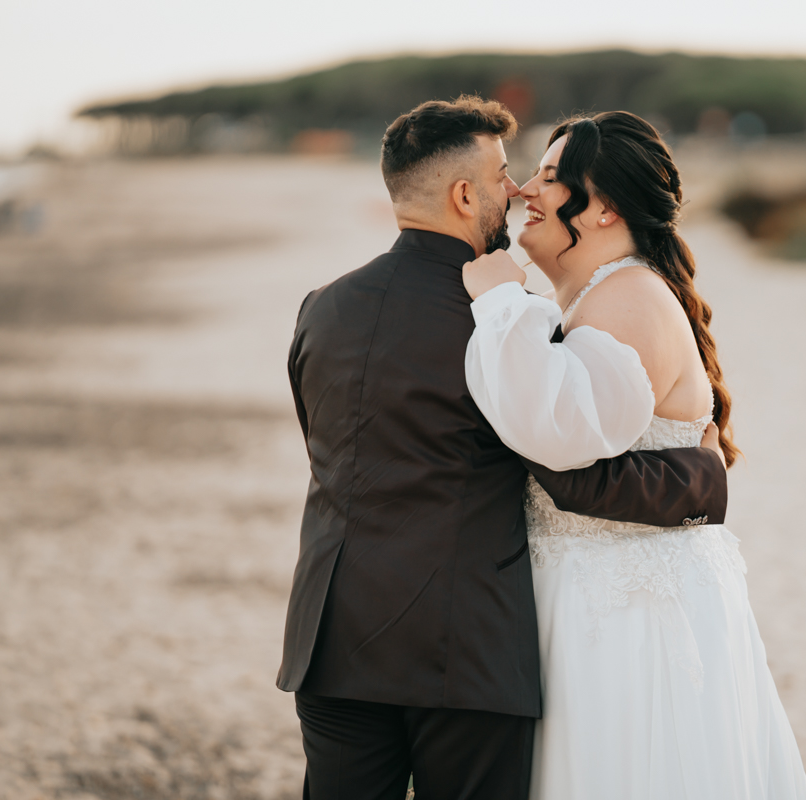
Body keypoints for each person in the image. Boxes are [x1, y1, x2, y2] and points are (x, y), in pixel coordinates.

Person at [278, 96, 730, 800]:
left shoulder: (323, 307)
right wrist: (702, 477)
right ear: (465, 195)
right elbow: (568, 468)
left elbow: (331, 453)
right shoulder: (508, 322)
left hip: (330, 640)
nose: (517, 191)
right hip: (462, 654)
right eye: (503, 176)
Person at [462, 111, 806, 799]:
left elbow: (555, 431)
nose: (526, 190)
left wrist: (504, 301)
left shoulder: (627, 297)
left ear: (606, 210)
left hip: (628, 624)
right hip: (585, 601)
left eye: (552, 177)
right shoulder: (600, 296)